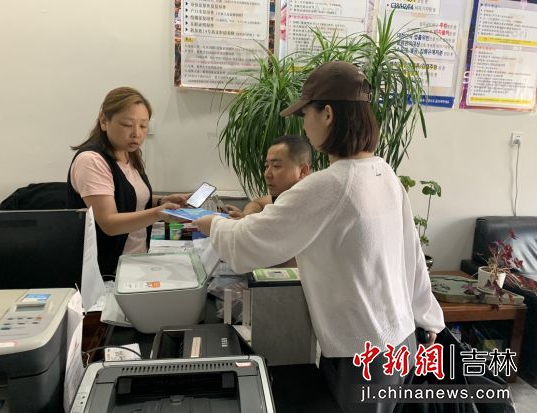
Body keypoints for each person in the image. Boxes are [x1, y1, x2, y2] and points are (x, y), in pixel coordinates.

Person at [194, 61, 445, 413]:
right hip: (400, 338)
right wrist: (428, 316)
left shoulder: (329, 184)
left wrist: (208, 222)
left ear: (327, 114)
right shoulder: (384, 172)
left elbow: (245, 244)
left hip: (362, 353)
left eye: (305, 114)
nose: (303, 125)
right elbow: (412, 255)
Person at [67, 87, 188, 275]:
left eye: (143, 126)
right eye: (127, 124)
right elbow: (109, 223)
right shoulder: (91, 161)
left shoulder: (128, 154)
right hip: (106, 270)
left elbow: (127, 198)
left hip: (134, 261)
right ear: (104, 121)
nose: (136, 133)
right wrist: (158, 213)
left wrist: (161, 201)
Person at [226, 134, 312, 219]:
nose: (267, 174)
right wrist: (247, 215)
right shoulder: (282, 195)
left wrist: (246, 221)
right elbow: (257, 203)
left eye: (276, 166)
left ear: (302, 171)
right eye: (267, 166)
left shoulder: (307, 205)